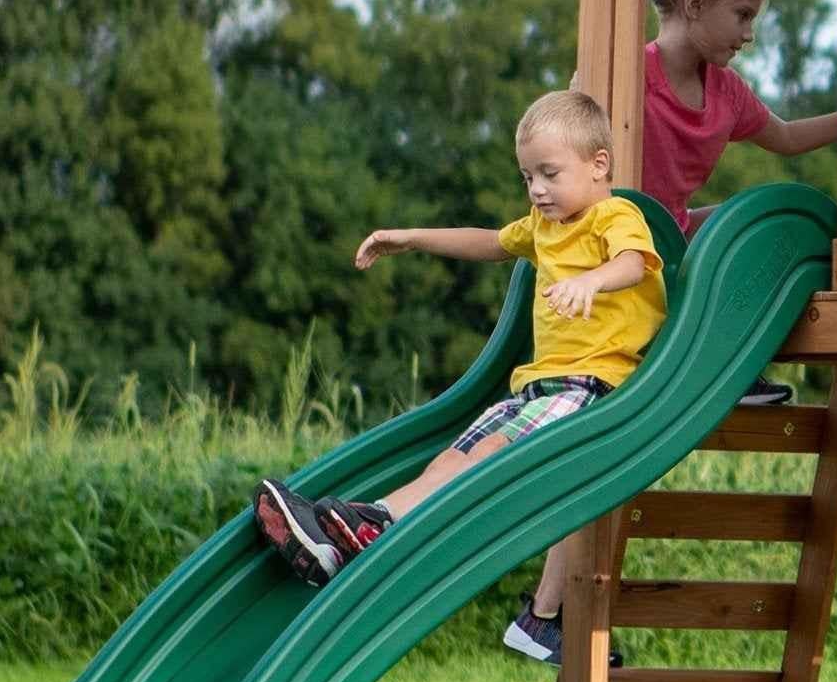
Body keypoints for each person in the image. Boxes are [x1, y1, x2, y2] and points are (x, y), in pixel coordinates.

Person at [253, 91, 663, 648]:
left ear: (598, 165)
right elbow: (491, 242)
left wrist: (591, 280)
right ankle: (366, 528)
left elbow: (634, 263)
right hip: (536, 390)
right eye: (527, 177)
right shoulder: (544, 228)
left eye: (549, 173)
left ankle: (368, 530)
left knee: (491, 458)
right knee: (454, 457)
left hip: (591, 390)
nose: (537, 189)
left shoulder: (614, 215)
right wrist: (412, 238)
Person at [640, 0, 837, 409]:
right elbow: (573, 125)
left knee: (765, 227)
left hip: (674, 230)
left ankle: (733, 366)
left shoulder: (726, 90)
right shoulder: (629, 72)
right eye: (742, 14)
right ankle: (687, 358)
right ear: (694, 5)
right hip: (620, 237)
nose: (749, 33)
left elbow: (787, 137)